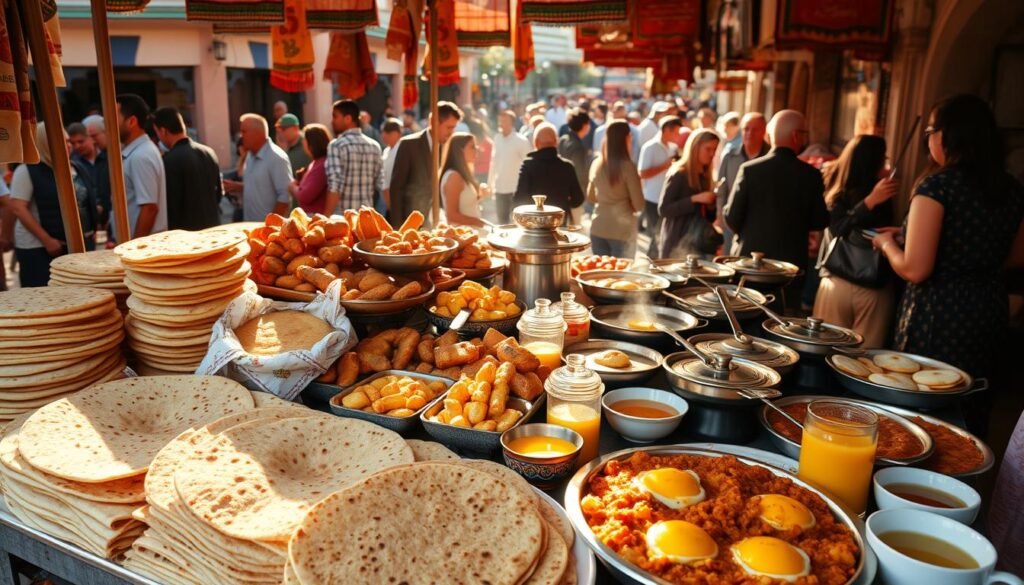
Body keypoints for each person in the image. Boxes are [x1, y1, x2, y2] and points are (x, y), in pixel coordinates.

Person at [872, 94, 1024, 402]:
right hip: (988, 310)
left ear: (948, 136)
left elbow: (915, 269)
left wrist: (887, 244)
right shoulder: (1011, 188)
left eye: (931, 131)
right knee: (972, 402)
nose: (928, 139)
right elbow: (1017, 255)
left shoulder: (937, 187)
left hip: (939, 315)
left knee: (927, 399)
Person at [812, 135, 898, 348]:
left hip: (847, 280)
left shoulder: (837, 183)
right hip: (861, 282)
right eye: (883, 159)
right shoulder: (841, 189)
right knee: (860, 357)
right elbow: (838, 226)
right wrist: (870, 202)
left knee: (828, 351)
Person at [724, 109, 827, 279]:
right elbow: (820, 220)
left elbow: (732, 216)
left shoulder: (750, 170)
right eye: (804, 133)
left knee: (747, 304)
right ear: (796, 135)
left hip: (750, 262)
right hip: (790, 266)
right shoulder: (811, 175)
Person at [8, 123, 98, 287]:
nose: (69, 146)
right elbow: (18, 208)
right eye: (62, 141)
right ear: (45, 143)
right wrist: (47, 240)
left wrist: (92, 227)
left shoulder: (75, 167)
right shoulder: (27, 170)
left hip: (70, 245)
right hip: (38, 248)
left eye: (68, 141)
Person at [389, 101, 462, 228]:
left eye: (454, 128)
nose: (451, 132)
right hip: (409, 222)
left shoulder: (449, 147)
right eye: (449, 127)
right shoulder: (409, 144)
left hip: (435, 223)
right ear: (434, 122)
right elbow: (396, 188)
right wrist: (397, 228)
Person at [152, 107, 223, 231]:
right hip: (213, 229)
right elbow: (218, 194)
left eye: (157, 132)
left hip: (187, 235)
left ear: (163, 131)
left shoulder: (169, 160)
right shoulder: (209, 152)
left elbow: (172, 206)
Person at [658, 128, 721, 258]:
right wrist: (694, 199)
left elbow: (709, 218)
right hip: (677, 242)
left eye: (714, 150)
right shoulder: (679, 173)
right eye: (708, 149)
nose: (712, 154)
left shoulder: (705, 175)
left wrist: (710, 205)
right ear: (695, 148)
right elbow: (664, 209)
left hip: (698, 244)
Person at [587, 120, 643, 258]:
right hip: (622, 231)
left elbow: (591, 196)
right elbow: (639, 204)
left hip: (598, 227)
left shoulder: (596, 163)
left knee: (600, 275)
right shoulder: (628, 167)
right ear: (626, 138)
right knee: (620, 277)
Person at [715, 113, 769, 251]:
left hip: (760, 225)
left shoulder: (770, 157)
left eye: (755, 129)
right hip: (731, 221)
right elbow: (721, 188)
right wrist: (720, 214)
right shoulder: (730, 155)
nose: (749, 133)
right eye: (746, 129)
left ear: (764, 131)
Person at [117, 94, 167, 239]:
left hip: (143, 249)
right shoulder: (139, 151)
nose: (107, 124)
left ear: (131, 121)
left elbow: (150, 208)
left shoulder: (141, 155)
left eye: (113, 118)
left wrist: (133, 246)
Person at [513, 123, 584, 219]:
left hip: (534, 224)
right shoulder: (567, 167)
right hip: (559, 223)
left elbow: (519, 199)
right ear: (556, 142)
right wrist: (563, 205)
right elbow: (578, 199)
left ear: (536, 142)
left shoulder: (528, 166)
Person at [324, 99, 383, 215]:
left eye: (335, 117)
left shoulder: (337, 145)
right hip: (366, 220)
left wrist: (325, 218)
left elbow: (335, 185)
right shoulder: (374, 146)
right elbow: (381, 183)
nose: (332, 121)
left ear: (348, 119)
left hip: (342, 220)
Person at [638, 116, 682, 258]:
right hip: (653, 197)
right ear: (666, 130)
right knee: (656, 234)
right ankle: (652, 263)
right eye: (675, 131)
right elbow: (642, 173)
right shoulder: (649, 147)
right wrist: (664, 166)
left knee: (665, 234)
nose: (678, 135)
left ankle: (656, 262)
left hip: (670, 198)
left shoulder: (674, 148)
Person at [238, 113, 292, 221]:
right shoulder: (250, 154)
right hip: (250, 227)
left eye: (244, 131)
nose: (241, 136)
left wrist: (270, 226)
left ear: (258, 134)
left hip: (265, 232)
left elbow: (285, 197)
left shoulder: (277, 157)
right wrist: (239, 187)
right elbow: (261, 185)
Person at [488, 110, 531, 225]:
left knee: (517, 222)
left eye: (504, 121)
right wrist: (490, 183)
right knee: (501, 222)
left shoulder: (521, 141)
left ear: (512, 122)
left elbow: (528, 164)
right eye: (500, 121)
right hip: (500, 188)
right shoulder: (497, 139)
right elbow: (494, 162)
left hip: (515, 188)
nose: (501, 123)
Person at [441, 133, 489, 228]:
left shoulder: (463, 173)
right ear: (460, 151)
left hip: (472, 232)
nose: (477, 150)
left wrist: (480, 194)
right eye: (472, 147)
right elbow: (451, 216)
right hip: (462, 235)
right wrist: (479, 222)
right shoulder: (454, 177)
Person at [289, 124, 332, 215]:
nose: (302, 142)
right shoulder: (316, 163)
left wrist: (293, 187)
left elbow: (305, 195)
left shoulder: (322, 165)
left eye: (304, 139)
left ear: (312, 142)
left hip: (315, 218)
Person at [558, 108, 591, 202]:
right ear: (584, 125)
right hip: (573, 194)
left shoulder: (563, 139)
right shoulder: (577, 147)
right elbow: (579, 173)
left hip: (561, 188)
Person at [380, 117, 403, 214]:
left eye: (385, 133)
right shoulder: (386, 150)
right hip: (387, 199)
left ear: (395, 134)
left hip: (398, 200)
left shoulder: (402, 150)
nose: (383, 136)